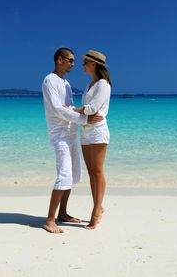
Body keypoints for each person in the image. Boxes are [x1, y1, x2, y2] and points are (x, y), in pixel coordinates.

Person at [42, 47, 103, 234]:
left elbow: (67, 107)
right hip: (59, 134)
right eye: (70, 60)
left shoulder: (66, 83)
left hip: (71, 132)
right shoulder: (49, 80)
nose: (73, 64)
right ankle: (50, 219)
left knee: (74, 174)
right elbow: (57, 109)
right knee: (64, 174)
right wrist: (85, 119)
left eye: (74, 61)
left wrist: (79, 112)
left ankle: (63, 213)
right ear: (60, 60)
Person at [72, 50, 111, 229]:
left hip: (97, 131)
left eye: (85, 62)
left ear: (93, 64)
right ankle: (99, 206)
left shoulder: (103, 84)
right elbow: (88, 110)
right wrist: (83, 113)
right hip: (85, 130)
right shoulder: (89, 85)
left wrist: (72, 110)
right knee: (91, 172)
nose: (82, 65)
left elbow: (92, 108)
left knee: (97, 171)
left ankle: (96, 211)